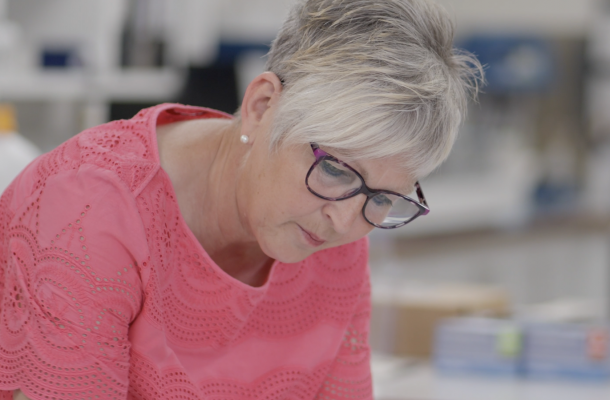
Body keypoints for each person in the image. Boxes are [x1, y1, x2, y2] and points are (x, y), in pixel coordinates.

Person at [0, 0, 483, 399]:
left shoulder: (332, 230)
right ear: (261, 105)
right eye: (335, 169)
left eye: (383, 197)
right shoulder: (90, 210)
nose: (345, 221)